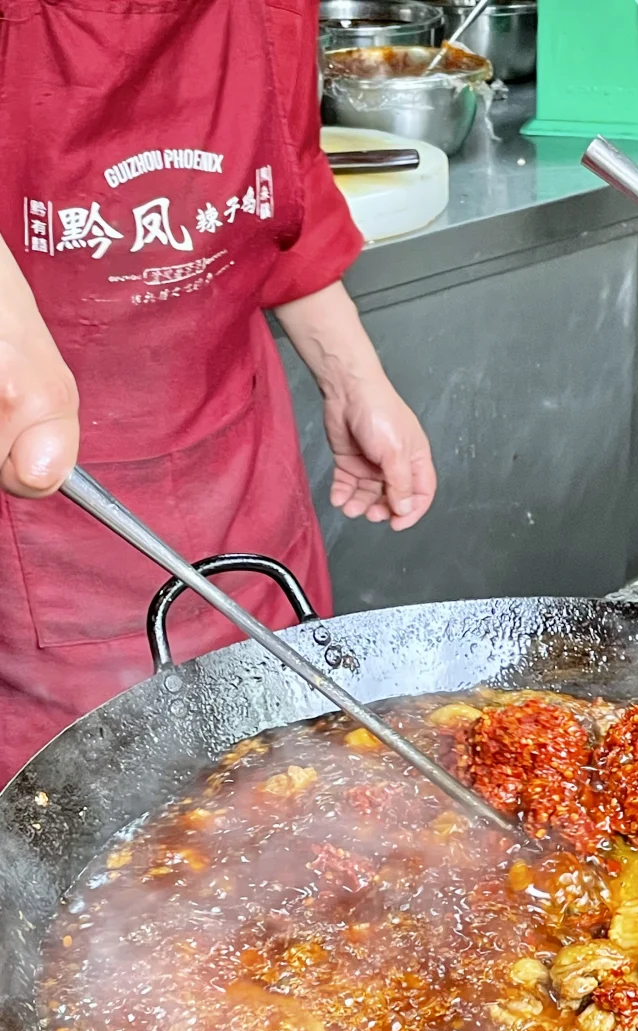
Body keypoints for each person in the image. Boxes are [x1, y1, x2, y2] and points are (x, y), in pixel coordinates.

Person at [0, 0, 437, 787]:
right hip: (40, 523)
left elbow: (284, 179)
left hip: (238, 467)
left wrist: (353, 378)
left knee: (293, 779)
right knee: (76, 811)